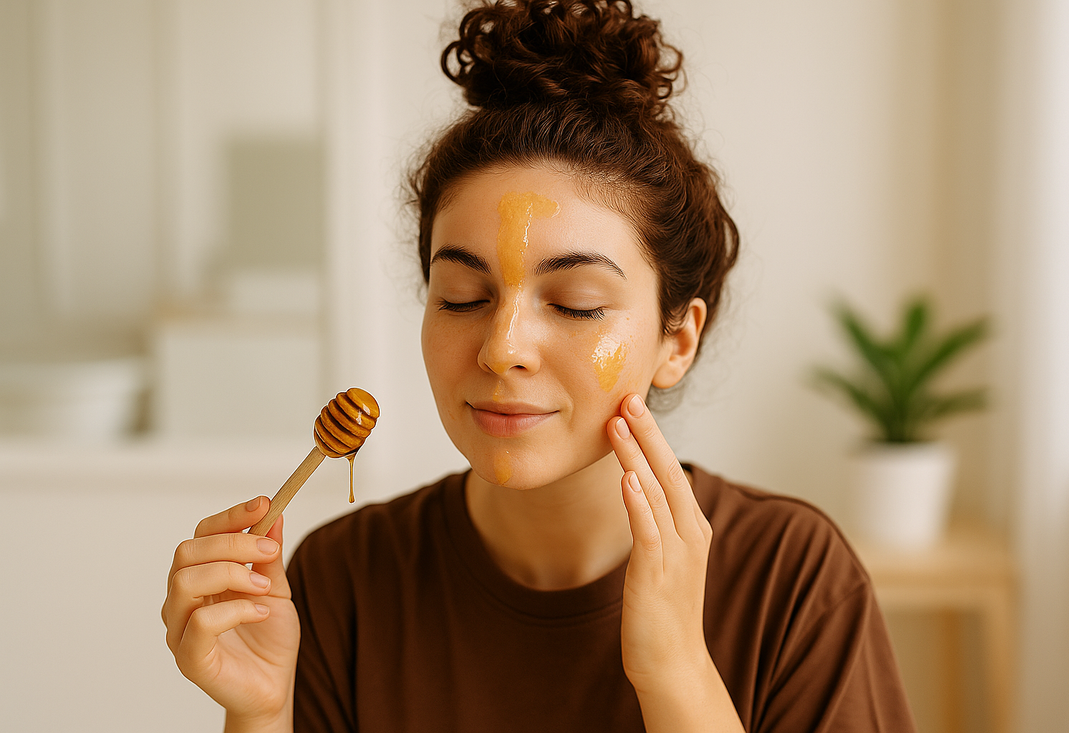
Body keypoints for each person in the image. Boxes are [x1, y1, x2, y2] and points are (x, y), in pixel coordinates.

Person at [162, 1, 918, 731]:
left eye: (577, 303)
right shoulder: (342, 580)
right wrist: (260, 712)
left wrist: (677, 670)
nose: (502, 347)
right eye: (462, 297)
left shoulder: (793, 579)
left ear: (677, 340)